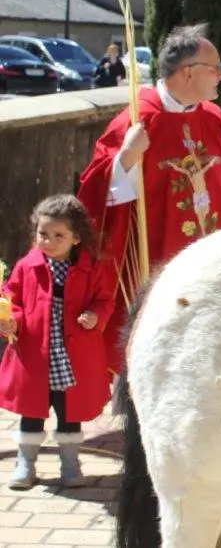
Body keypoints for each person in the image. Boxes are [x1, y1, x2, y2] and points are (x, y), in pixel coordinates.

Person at [76, 24, 221, 374]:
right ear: (188, 72)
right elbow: (91, 195)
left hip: (212, 268)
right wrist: (125, 160)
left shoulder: (216, 119)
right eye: (215, 68)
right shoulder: (137, 119)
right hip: (156, 268)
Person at [0, 195, 115, 489]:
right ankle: (25, 464)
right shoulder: (28, 266)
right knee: (32, 412)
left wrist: (94, 315)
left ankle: (70, 463)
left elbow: (104, 300)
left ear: (76, 238)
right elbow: (13, 300)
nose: (48, 241)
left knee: (69, 412)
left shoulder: (92, 268)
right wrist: (12, 320)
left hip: (71, 358)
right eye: (43, 234)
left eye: (58, 236)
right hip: (36, 355)